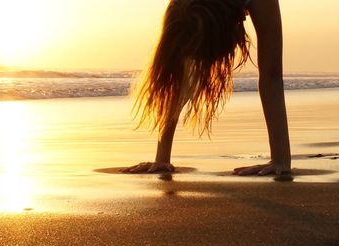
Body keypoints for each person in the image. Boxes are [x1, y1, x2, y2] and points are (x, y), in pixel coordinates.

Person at [124, 0, 291, 176]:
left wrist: (280, 159)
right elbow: (174, 76)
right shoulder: (180, 7)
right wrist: (162, 158)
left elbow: (271, 75)